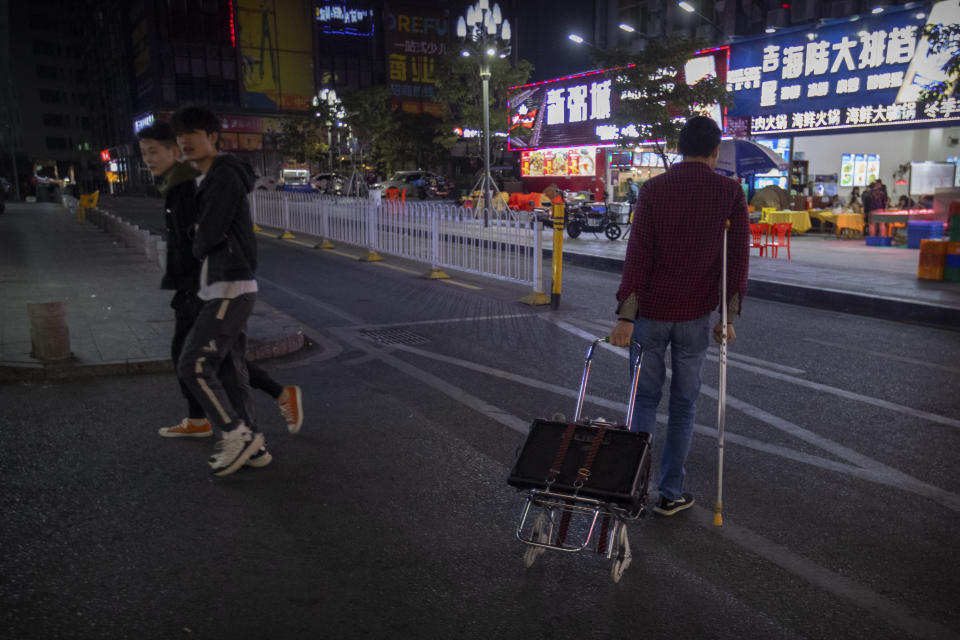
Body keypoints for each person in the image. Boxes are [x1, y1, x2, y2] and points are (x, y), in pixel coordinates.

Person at [609, 116, 749, 517]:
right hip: (693, 317)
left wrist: (626, 315)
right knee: (684, 405)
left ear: (678, 147)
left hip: (650, 313)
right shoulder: (730, 193)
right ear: (715, 151)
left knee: (645, 399)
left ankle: (630, 487)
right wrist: (729, 316)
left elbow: (638, 258)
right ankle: (670, 493)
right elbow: (736, 260)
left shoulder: (654, 190)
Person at [137, 123, 303, 450]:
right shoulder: (178, 183)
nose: (148, 159)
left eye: (153, 151)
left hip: (208, 288)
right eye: (144, 154)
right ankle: (224, 420)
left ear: (176, 150)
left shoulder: (190, 185)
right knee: (218, 358)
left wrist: (197, 287)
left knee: (203, 360)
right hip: (200, 287)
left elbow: (203, 239)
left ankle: (241, 433)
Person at [170, 105, 266, 476]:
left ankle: (235, 434)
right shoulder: (208, 178)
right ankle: (254, 446)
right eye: (180, 136)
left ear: (212, 136)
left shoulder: (223, 175)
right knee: (229, 368)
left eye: (191, 134)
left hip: (230, 283)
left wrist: (198, 238)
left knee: (192, 365)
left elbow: (206, 235)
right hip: (220, 284)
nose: (184, 142)